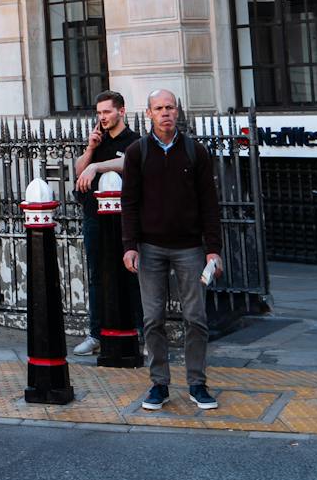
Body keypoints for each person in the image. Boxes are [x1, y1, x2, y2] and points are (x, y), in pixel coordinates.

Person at [121, 89, 222, 413]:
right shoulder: (138, 152)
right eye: (158, 108)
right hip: (150, 248)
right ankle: (159, 383)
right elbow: (130, 204)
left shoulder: (196, 152)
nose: (165, 113)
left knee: (196, 318)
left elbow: (209, 202)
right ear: (148, 113)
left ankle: (196, 382)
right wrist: (130, 246)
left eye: (170, 107)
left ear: (178, 111)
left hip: (190, 248)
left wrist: (213, 250)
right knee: (153, 319)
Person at [71, 90, 138, 355]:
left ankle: (139, 331)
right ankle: (96, 333)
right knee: (97, 276)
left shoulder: (134, 141)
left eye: (107, 112)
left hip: (124, 221)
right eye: (99, 113)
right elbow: (78, 172)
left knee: (130, 274)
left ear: (121, 111)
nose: (103, 117)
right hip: (94, 218)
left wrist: (98, 167)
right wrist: (90, 150)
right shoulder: (97, 143)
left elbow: (130, 162)